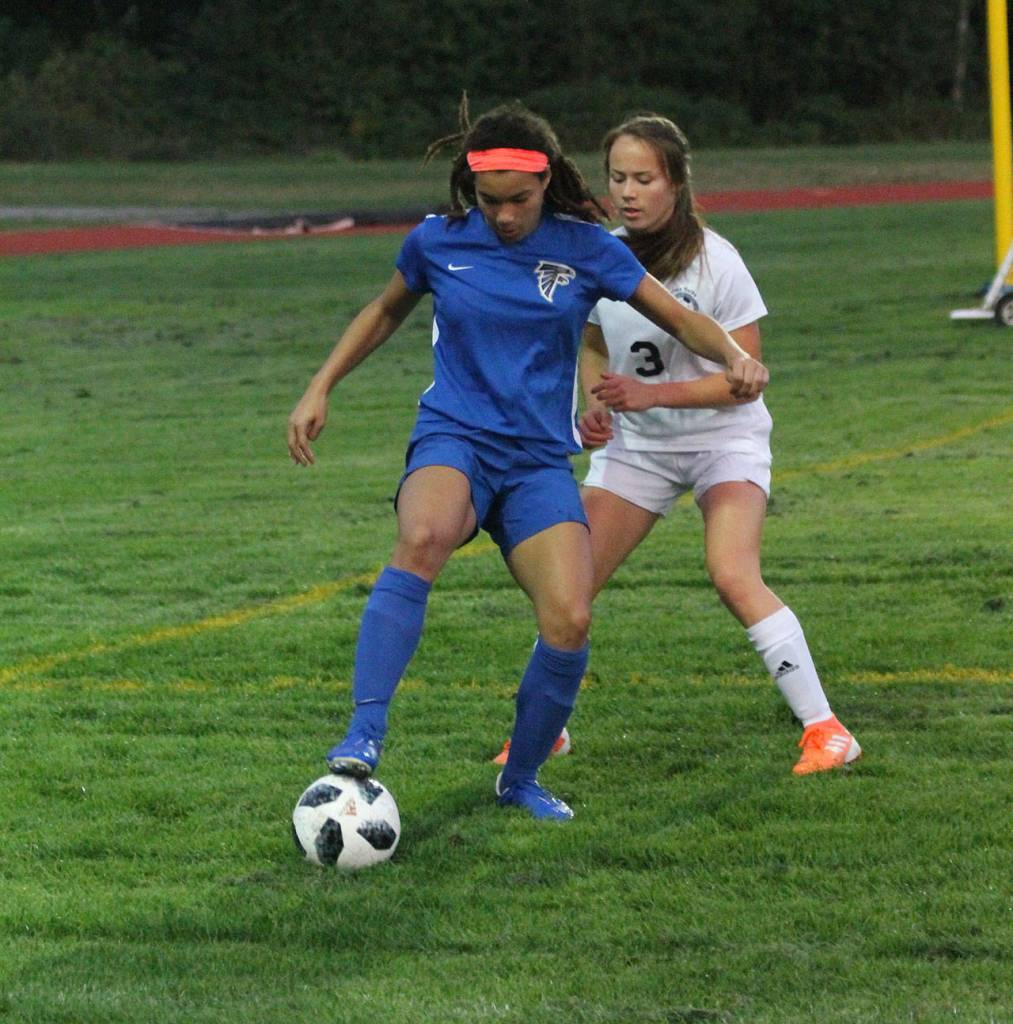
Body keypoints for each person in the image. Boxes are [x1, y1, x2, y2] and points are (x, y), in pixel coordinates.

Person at [287, 98, 769, 822]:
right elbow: (386, 309)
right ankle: (363, 733)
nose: (505, 215)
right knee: (424, 536)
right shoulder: (436, 242)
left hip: (538, 460)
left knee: (570, 619)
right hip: (455, 435)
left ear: (547, 182)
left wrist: (733, 353)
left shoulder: (587, 248)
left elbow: (677, 315)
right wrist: (320, 386)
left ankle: (520, 780)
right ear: (467, 189)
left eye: (518, 200)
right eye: (489, 202)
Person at [494, 113, 859, 775]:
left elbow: (741, 382)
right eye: (617, 178)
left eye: (643, 178)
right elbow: (595, 338)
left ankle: (826, 730)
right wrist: (593, 399)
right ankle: (546, 731)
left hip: (724, 443)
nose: (627, 191)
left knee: (730, 573)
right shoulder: (601, 254)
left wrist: (648, 396)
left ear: (675, 183)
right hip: (637, 451)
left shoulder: (715, 261)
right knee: (566, 586)